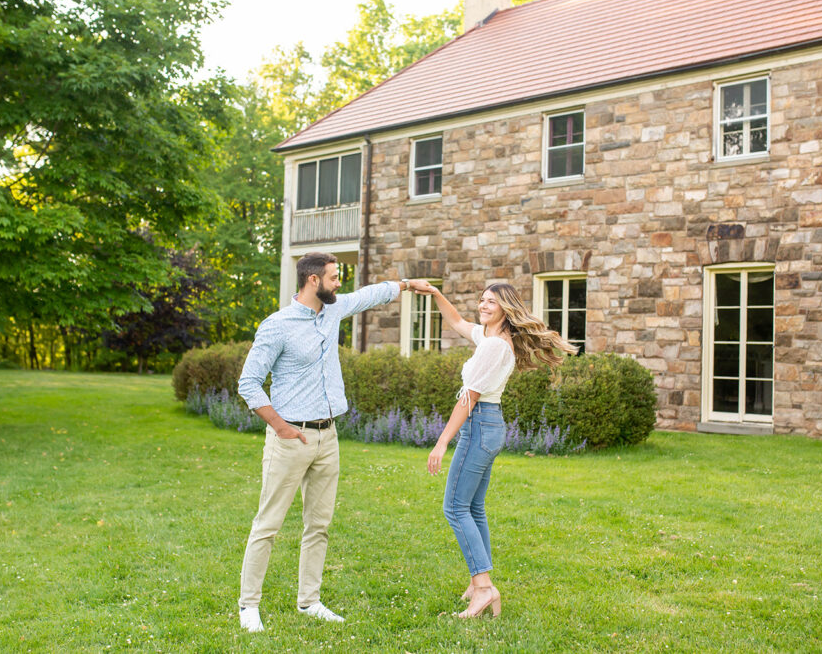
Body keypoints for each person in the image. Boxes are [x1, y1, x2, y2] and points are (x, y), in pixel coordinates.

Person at [236, 251, 426, 633]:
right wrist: (281, 427)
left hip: (329, 436)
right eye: (334, 277)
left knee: (319, 525)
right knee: (268, 525)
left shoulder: (332, 310)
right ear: (313, 281)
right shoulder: (277, 325)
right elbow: (248, 383)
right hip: (291, 438)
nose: (340, 283)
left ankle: (309, 601)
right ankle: (249, 606)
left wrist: (406, 286)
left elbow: (370, 295)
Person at [416, 281, 577, 619]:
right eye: (482, 300)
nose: (484, 306)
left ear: (506, 308)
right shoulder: (492, 339)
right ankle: (479, 586)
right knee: (473, 508)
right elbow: (458, 322)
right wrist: (436, 294)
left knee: (455, 508)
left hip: (478, 424)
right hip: (489, 425)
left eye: (492, 302)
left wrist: (442, 441)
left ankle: (485, 587)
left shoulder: (494, 348)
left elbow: (469, 398)